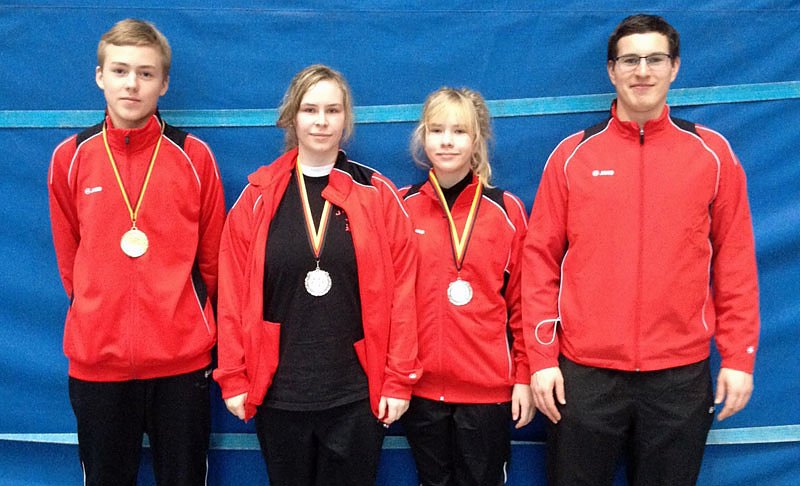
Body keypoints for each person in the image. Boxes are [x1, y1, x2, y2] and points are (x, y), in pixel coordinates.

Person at [523, 14, 759, 486]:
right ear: (612, 71)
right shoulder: (572, 156)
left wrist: (738, 358)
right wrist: (542, 360)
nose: (642, 71)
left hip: (678, 377)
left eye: (655, 59)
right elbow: (539, 263)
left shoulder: (711, 154)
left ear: (675, 68)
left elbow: (735, 263)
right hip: (584, 377)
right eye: (630, 60)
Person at [213, 64, 421, 486]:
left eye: (333, 110)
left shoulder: (377, 193)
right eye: (310, 110)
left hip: (356, 395)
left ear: (347, 119)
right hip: (279, 392)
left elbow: (403, 292)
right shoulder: (256, 197)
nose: (321, 121)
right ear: (292, 117)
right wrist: (233, 375)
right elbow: (232, 294)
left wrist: (399, 379)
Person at [47, 19, 225, 486]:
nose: (132, 83)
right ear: (99, 76)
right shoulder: (70, 157)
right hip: (96, 362)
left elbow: (212, 262)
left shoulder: (195, 157)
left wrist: (190, 324)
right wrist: (96, 312)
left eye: (146, 73)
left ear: (164, 84)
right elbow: (71, 259)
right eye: (121, 70)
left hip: (181, 363)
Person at [400, 87, 534, 486]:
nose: (446, 141)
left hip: (488, 393)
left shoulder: (506, 211)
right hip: (420, 392)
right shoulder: (402, 208)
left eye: (459, 131)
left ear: (476, 140)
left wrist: (524, 376)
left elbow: (524, 303)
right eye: (437, 129)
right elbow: (388, 303)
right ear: (423, 136)